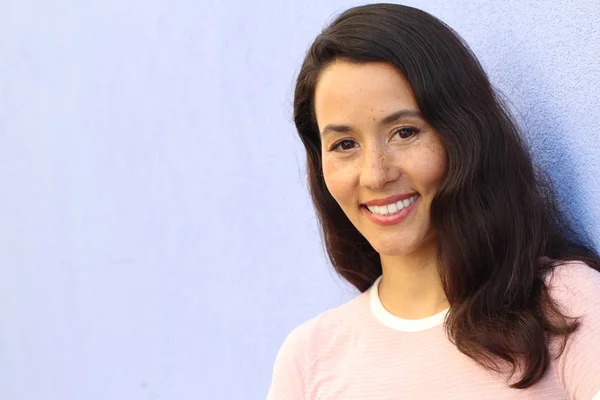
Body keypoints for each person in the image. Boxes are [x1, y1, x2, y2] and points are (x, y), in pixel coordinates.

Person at [267, 3, 600, 399]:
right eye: (345, 144)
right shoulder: (308, 358)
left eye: (404, 132)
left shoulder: (566, 304)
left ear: (463, 136)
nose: (376, 174)